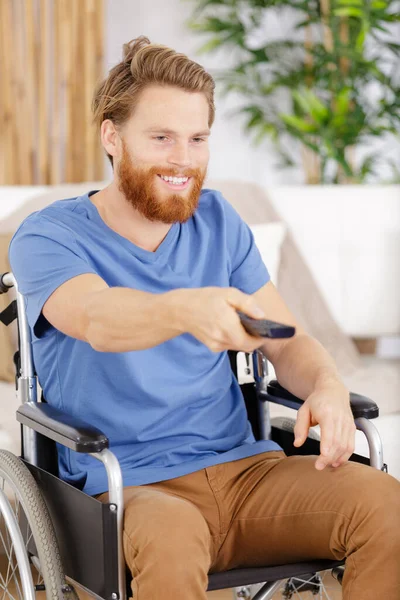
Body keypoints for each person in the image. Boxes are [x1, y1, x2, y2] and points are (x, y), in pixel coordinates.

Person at [9, 36, 400, 600]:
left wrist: (328, 384)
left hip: (245, 474)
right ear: (112, 137)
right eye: (162, 138)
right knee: (172, 535)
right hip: (131, 485)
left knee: (384, 505)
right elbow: (96, 316)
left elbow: (287, 342)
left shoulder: (219, 220)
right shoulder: (50, 235)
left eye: (197, 139)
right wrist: (188, 309)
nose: (184, 159)